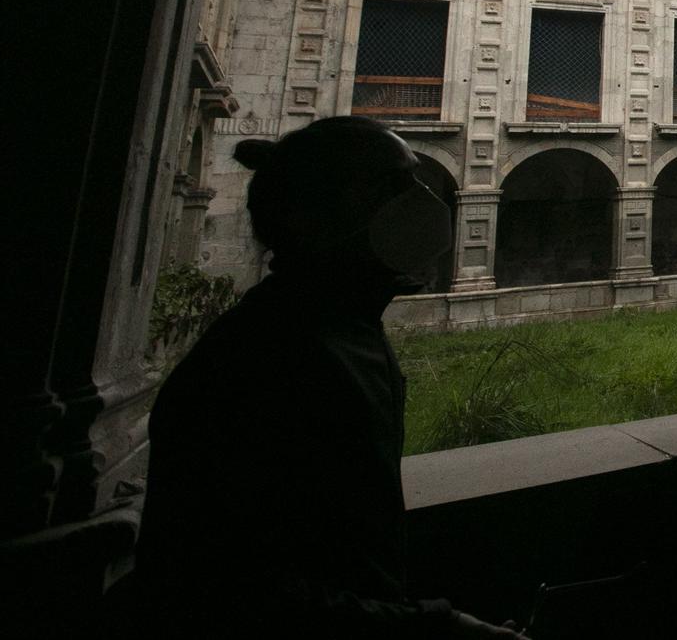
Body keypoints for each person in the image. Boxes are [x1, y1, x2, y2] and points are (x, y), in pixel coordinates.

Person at [139, 116, 523, 636]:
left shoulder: (340, 327)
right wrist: (435, 628)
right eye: (396, 185)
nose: (423, 198)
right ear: (324, 213)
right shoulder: (266, 362)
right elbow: (220, 588)